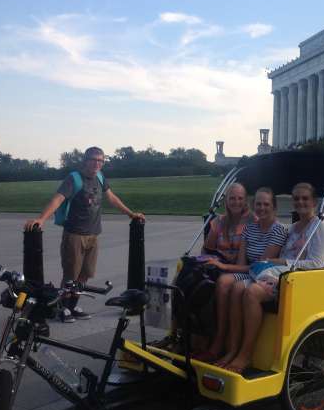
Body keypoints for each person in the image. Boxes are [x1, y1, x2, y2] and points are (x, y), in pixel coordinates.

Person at [215, 182, 324, 373]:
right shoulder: (292, 228)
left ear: (315, 202)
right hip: (278, 276)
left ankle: (245, 355)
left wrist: (282, 263)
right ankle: (232, 349)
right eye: (296, 199)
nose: (300, 202)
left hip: (299, 281)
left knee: (252, 292)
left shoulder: (321, 226)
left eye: (305, 198)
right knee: (236, 288)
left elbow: (318, 263)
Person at [24, 147, 145, 323]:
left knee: (85, 274)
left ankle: (73, 305)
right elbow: (58, 199)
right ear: (85, 161)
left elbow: (112, 198)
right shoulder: (74, 178)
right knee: (71, 274)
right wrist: (42, 219)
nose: (97, 163)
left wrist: (131, 214)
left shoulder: (101, 177)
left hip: (93, 235)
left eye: (101, 160)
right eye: (94, 160)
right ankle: (62, 307)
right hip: (75, 235)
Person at [157, 182, 254, 351]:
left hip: (237, 268)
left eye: (240, 199)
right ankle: (175, 331)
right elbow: (207, 249)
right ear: (227, 201)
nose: (236, 202)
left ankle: (202, 335)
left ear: (245, 201)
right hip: (217, 262)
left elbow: (250, 255)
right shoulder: (219, 222)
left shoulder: (253, 223)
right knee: (183, 276)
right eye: (232, 198)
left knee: (204, 286)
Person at [194, 187, 287, 361]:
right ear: (253, 205)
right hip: (249, 272)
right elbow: (242, 263)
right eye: (258, 204)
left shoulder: (279, 230)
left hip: (263, 275)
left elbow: (260, 266)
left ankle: (234, 348)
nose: (262, 208)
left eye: (266, 204)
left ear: (273, 206)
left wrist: (224, 266)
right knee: (222, 282)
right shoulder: (249, 229)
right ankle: (221, 339)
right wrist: (224, 265)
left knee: (233, 284)